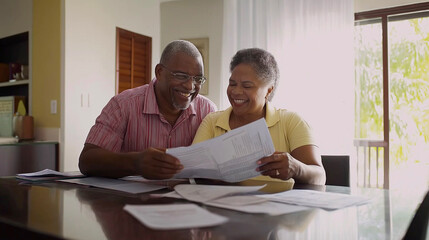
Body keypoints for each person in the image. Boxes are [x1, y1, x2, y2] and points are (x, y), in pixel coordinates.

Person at [79, 40, 217, 179]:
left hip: (187, 198)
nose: (189, 86)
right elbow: (87, 160)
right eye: (181, 76)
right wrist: (135, 163)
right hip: (130, 199)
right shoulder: (123, 105)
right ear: (159, 72)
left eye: (198, 79)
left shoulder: (207, 111)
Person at [193, 48, 326, 185]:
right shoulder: (212, 121)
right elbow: (194, 171)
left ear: (268, 90)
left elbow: (319, 177)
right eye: (232, 84)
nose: (236, 91)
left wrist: (296, 168)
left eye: (247, 86)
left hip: (278, 205)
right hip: (221, 204)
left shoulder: (291, 122)